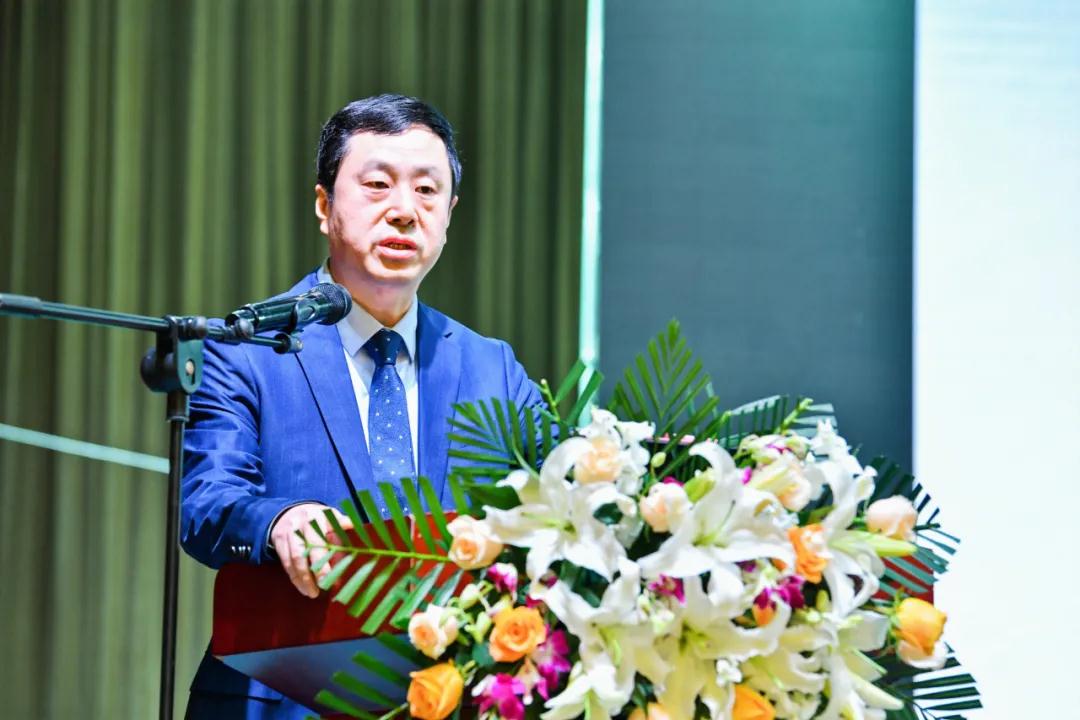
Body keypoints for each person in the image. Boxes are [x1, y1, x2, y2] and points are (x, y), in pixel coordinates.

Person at [180, 94, 546, 719]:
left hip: (448, 697)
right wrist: (279, 521)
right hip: (280, 700)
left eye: (427, 190)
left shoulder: (493, 368)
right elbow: (207, 502)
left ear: (450, 213)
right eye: (377, 185)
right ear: (324, 205)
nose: (404, 210)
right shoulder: (249, 350)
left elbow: (557, 501)